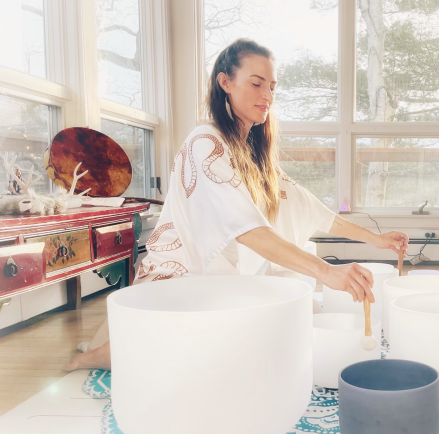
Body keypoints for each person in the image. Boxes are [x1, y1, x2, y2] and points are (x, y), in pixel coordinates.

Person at [64, 39, 408, 371]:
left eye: (272, 87)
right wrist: (326, 271)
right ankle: (104, 354)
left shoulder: (253, 154)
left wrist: (377, 240)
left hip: (229, 281)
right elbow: (248, 229)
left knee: (299, 326)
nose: (267, 96)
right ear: (225, 82)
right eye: (257, 84)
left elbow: (311, 208)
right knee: (234, 350)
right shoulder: (205, 143)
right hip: (184, 283)